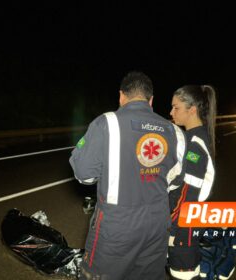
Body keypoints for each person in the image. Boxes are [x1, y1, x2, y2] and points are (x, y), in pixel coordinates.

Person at [69, 71, 187, 280]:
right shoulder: (175, 131)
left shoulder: (106, 123)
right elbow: (176, 179)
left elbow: (84, 175)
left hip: (117, 225)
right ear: (151, 100)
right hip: (157, 221)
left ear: (121, 96)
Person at [168, 85, 217, 280]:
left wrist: (172, 224)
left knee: (183, 273)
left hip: (186, 220)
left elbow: (188, 191)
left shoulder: (195, 142)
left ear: (192, 110)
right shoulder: (191, 136)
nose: (171, 112)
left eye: (176, 108)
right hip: (186, 218)